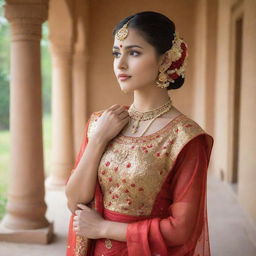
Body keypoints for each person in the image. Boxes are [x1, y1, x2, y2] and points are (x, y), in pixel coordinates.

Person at [65, 11, 213, 256]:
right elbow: (74, 202)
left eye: (133, 52)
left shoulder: (186, 138)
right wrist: (98, 140)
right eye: (116, 53)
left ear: (165, 60)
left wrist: (103, 228)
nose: (120, 63)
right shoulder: (101, 123)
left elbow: (182, 229)